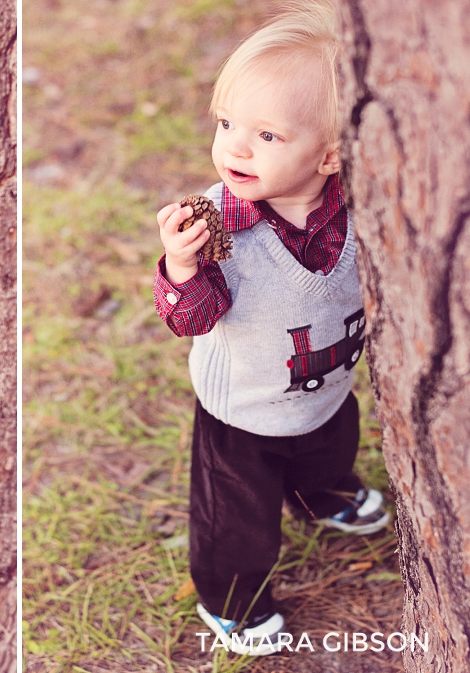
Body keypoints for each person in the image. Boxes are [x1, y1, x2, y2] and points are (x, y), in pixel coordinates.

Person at [152, 1, 389, 657]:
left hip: (324, 385)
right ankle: (230, 601)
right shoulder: (221, 225)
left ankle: (326, 495)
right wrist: (180, 264)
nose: (233, 145)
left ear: (331, 156)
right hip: (243, 412)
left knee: (331, 443)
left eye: (266, 135)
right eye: (226, 123)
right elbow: (189, 317)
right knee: (237, 516)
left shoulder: (359, 209)